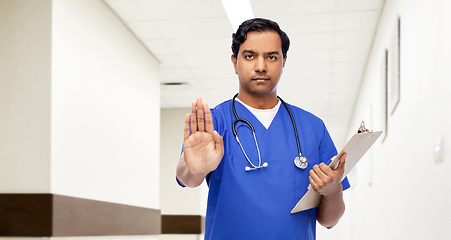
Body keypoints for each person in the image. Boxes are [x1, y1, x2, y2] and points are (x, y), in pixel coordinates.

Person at [176, 18, 350, 239]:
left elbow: (329, 221)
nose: (260, 66)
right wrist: (195, 169)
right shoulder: (214, 122)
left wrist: (334, 191)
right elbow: (187, 178)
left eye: (271, 57)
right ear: (234, 62)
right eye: (250, 56)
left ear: (284, 61)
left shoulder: (312, 127)